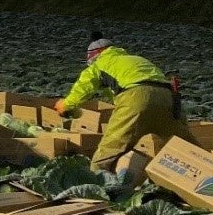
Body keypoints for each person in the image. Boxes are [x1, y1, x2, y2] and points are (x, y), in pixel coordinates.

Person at [53, 33, 197, 172]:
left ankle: (97, 182)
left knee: (110, 147)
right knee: (186, 148)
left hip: (137, 97)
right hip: (168, 98)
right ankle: (209, 174)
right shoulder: (135, 60)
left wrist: (66, 105)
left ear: (94, 55)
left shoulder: (100, 64)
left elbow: (83, 87)